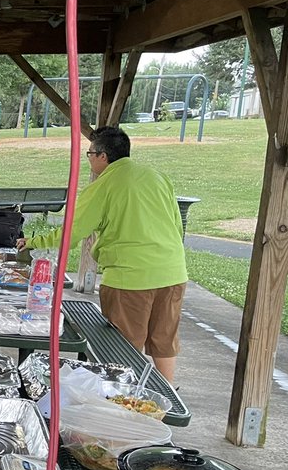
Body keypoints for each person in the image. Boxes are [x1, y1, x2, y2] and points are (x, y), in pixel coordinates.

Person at [23, 125, 187, 381]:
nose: (89, 160)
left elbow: (72, 231)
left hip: (130, 277)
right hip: (173, 271)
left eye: (90, 154)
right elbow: (178, 226)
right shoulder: (157, 177)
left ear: (102, 156)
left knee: (124, 345)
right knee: (163, 339)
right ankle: (167, 397)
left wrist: (34, 242)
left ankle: (125, 403)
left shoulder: (105, 184)